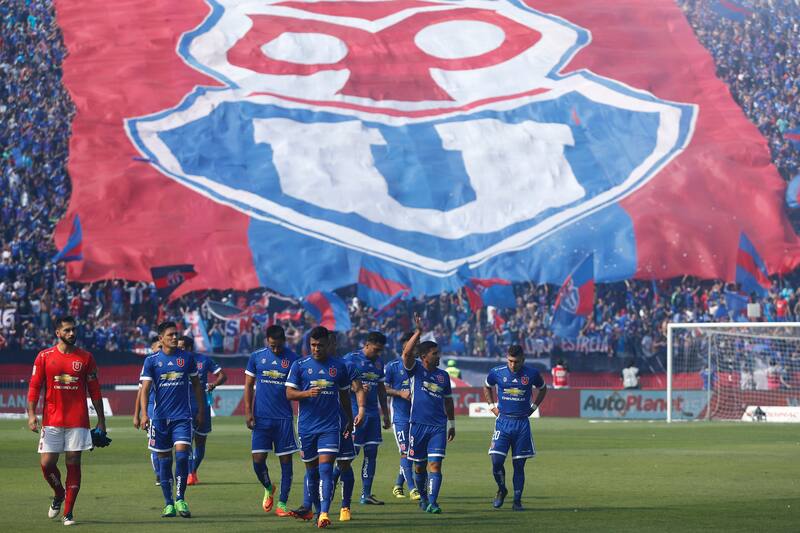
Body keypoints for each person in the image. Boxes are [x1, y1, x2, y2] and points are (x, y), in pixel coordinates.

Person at [27, 315, 107, 526]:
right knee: (47, 464)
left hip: (77, 420)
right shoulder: (44, 356)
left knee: (73, 462)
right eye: (67, 330)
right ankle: (59, 493)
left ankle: (68, 513)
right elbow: (34, 386)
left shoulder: (86, 358)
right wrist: (31, 414)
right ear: (58, 333)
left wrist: (101, 421)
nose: (72, 333)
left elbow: (95, 390)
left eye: (73, 330)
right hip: (52, 420)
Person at [285, 326, 354, 529]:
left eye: (320, 345)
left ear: (328, 344)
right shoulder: (299, 365)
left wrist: (349, 418)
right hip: (306, 428)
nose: (316, 349)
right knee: (312, 473)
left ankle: (324, 513)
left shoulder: (339, 367)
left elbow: (344, 395)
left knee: (325, 469)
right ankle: (316, 511)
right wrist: (306, 394)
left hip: (330, 427)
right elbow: (289, 393)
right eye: (313, 345)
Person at [137, 321, 205, 519]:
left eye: (176, 334)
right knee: (165, 463)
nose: (175, 337)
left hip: (182, 417)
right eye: (170, 335)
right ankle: (168, 503)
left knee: (182, 457)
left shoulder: (187, 358)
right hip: (159, 419)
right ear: (161, 339)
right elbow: (145, 390)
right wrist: (144, 414)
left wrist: (201, 410)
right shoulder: (151, 361)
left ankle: (180, 498)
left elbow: (197, 385)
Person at [243, 325, 301, 517]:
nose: (275, 349)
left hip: (283, 418)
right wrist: (248, 412)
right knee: (258, 460)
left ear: (284, 341)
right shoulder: (256, 357)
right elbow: (249, 385)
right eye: (272, 345)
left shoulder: (293, 359)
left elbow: (299, 387)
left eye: (278, 346)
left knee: (286, 461)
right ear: (267, 341)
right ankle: (269, 487)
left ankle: (282, 504)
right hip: (261, 418)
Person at [401, 314, 456, 514]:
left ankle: (433, 502)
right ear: (424, 356)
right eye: (434, 353)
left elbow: (448, 401)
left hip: (437, 427)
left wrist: (452, 424)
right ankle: (423, 498)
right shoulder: (415, 369)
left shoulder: (444, 376)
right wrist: (418, 332)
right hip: (417, 425)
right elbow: (406, 354)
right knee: (419, 467)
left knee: (435, 464)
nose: (438, 356)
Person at [483, 344, 547, 511]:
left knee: (519, 466)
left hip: (522, 424)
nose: (513, 365)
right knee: (496, 462)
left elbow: (543, 388)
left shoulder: (532, 373)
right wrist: (491, 406)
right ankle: (502, 489)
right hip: (503, 422)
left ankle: (517, 501)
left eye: (516, 362)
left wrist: (533, 408)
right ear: (507, 359)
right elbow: (487, 385)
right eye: (510, 361)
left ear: (523, 360)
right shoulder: (497, 372)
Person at [344, 331, 392, 506]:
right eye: (376, 349)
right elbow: (339, 384)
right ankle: (330, 483)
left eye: (380, 350)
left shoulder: (379, 362)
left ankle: (366, 494)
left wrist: (385, 414)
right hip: (355, 413)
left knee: (371, 453)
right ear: (367, 345)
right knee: (350, 455)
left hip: (372, 415)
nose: (378, 353)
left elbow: (381, 389)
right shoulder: (350, 359)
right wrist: (354, 388)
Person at [179, 335, 227, 485]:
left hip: (202, 406)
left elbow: (222, 375)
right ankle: (189, 474)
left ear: (189, 348)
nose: (178, 349)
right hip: (183, 406)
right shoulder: (175, 361)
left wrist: (214, 384)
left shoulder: (204, 360)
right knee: (185, 442)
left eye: (181, 347)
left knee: (200, 442)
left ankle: (192, 471)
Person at [330, 330, 366, 522]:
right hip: (319, 423)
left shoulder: (347, 365)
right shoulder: (306, 365)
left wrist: (361, 410)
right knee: (319, 465)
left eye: (326, 343)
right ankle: (319, 506)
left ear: (334, 344)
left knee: (344, 462)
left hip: (343, 421)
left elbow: (358, 388)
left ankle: (345, 506)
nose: (320, 348)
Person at [384, 331, 420, 501]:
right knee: (405, 452)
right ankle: (413, 488)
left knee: (412, 452)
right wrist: (399, 393)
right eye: (412, 345)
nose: (415, 348)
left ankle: (398, 485)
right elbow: (383, 388)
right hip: (400, 417)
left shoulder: (420, 366)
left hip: (417, 417)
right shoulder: (392, 366)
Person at [133, 338, 163, 486]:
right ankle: (159, 475)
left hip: (169, 411)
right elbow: (141, 392)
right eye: (158, 347)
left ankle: (165, 474)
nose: (161, 349)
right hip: (152, 411)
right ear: (152, 348)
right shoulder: (149, 364)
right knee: (155, 445)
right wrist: (137, 415)